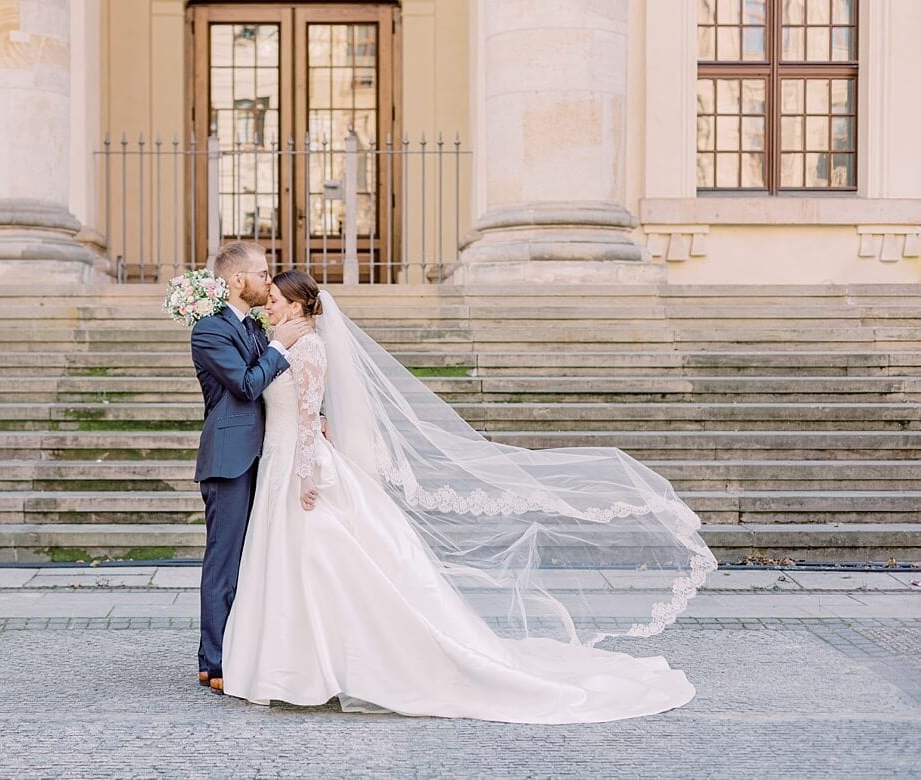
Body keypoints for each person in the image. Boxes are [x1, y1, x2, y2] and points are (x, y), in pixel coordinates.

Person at [218, 270, 718, 724]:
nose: (270, 305)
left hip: (299, 465)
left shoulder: (306, 347)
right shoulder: (282, 339)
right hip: (280, 459)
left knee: (319, 558)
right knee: (295, 560)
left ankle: (322, 666)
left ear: (302, 306)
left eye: (278, 299)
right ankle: (291, 663)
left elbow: (307, 415)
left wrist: (307, 474)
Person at [189, 241, 309, 692]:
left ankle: (246, 648)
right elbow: (244, 385)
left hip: (267, 453)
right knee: (225, 559)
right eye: (262, 273)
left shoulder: (254, 327)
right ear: (237, 280)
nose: (268, 280)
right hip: (230, 458)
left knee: (255, 558)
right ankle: (213, 661)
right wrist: (279, 345)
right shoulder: (209, 331)